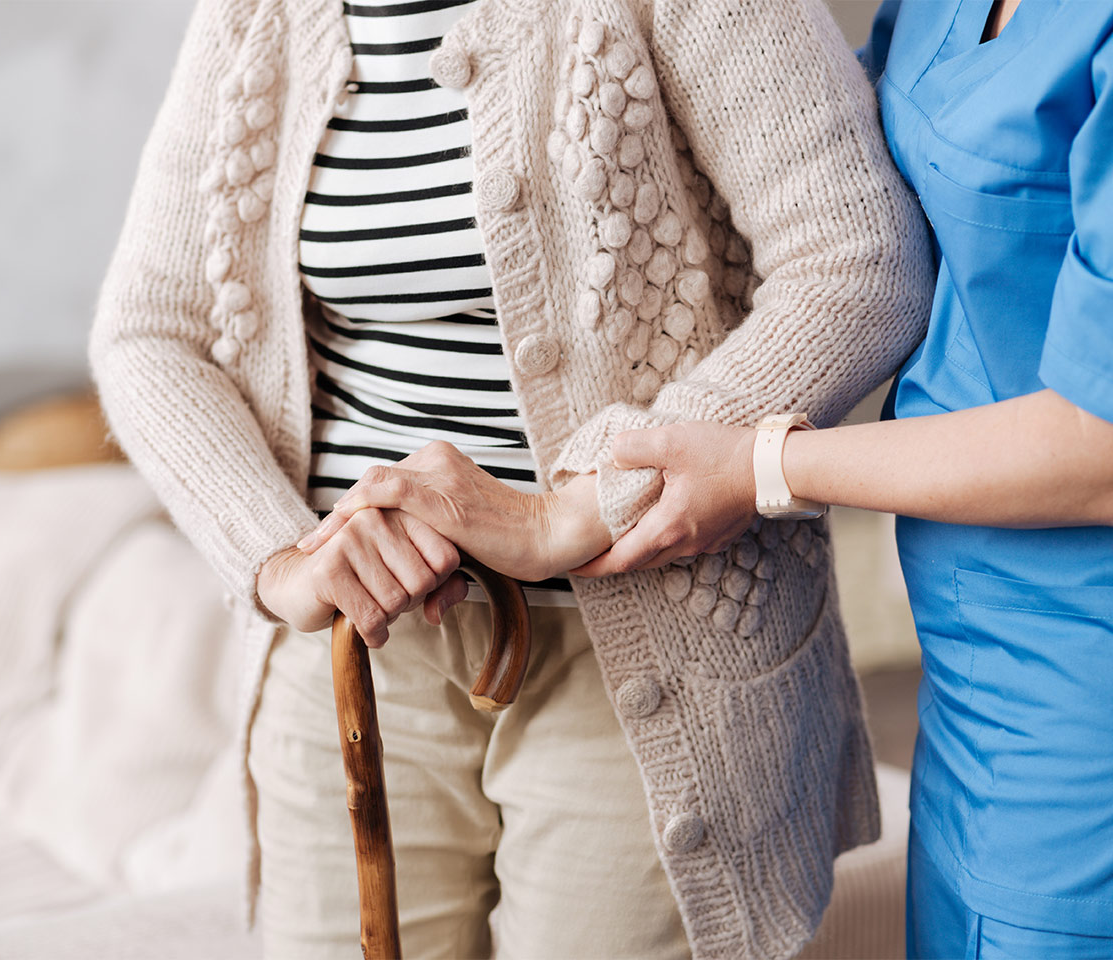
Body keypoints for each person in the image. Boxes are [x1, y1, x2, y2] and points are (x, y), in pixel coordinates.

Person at [89, 0, 933, 956]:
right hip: (359, 659)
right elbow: (152, 332)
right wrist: (278, 556)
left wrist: (586, 503)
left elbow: (861, 258)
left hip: (645, 640)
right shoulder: (256, 15)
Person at [573, 1, 1113, 956]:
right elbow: (832, 180)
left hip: (1084, 672)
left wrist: (767, 465)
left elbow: (1097, 442)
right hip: (973, 649)